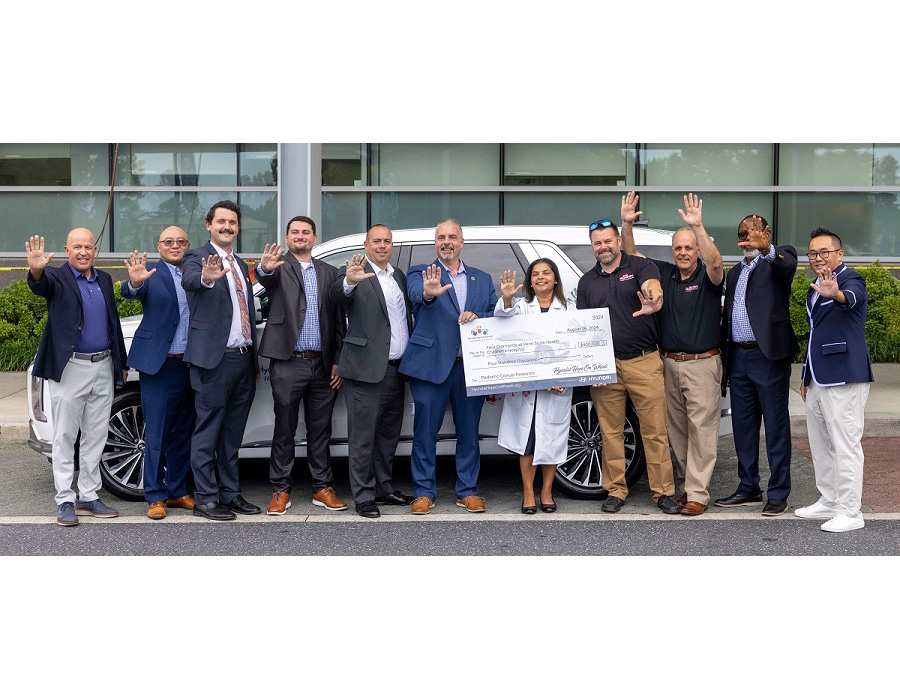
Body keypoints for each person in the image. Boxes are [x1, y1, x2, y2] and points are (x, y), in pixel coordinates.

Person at [620, 192, 724, 516]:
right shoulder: (663, 272)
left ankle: (697, 494)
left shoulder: (708, 278)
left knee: (702, 432)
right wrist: (626, 223)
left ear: (697, 251)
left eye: (688, 248)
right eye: (678, 248)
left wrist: (698, 226)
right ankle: (685, 487)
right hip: (668, 364)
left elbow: (717, 263)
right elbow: (630, 253)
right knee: (676, 433)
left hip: (702, 364)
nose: (682, 253)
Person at [575, 218, 680, 515]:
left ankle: (663, 493)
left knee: (655, 431)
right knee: (610, 432)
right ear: (592, 247)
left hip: (644, 362)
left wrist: (654, 298)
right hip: (606, 367)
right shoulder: (586, 282)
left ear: (618, 241)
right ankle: (616, 490)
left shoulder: (639, 267)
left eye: (608, 241)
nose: (603, 247)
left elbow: (653, 286)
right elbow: (584, 329)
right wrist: (592, 367)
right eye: (597, 243)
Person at [26, 229, 128, 527]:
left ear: (94, 250)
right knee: (66, 436)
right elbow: (39, 285)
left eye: (88, 247)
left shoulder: (105, 279)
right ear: (67, 250)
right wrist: (35, 268)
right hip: (71, 368)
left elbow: (113, 324)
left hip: (103, 366)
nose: (83, 252)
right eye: (77, 247)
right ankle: (64, 500)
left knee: (96, 435)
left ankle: (88, 495)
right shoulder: (57, 277)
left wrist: (119, 362)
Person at [399, 218, 498, 515]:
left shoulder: (482, 278)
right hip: (431, 366)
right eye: (441, 237)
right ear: (435, 243)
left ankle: (467, 491)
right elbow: (419, 296)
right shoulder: (421, 273)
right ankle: (424, 492)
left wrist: (477, 316)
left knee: (469, 432)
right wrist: (430, 293)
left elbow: (495, 314)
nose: (446, 241)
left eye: (452, 236)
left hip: (470, 368)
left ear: (461, 242)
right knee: (425, 432)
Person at [256, 216, 346, 515]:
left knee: (320, 430)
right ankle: (280, 489)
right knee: (285, 428)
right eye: (294, 232)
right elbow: (265, 279)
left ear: (314, 238)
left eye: (305, 232)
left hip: (322, 365)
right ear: (287, 236)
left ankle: (322, 487)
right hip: (288, 362)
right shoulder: (278, 267)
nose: (300, 236)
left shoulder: (330, 273)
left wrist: (337, 361)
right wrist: (264, 269)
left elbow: (337, 323)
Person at [182, 200, 261, 521]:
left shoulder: (241, 264)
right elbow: (190, 281)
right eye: (221, 222)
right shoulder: (196, 257)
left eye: (232, 223)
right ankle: (205, 498)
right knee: (207, 432)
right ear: (209, 225)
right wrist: (207, 277)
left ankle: (230, 493)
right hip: (213, 362)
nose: (227, 227)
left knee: (232, 434)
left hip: (242, 361)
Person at [329, 225, 414, 519]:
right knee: (362, 438)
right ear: (365, 244)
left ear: (392, 245)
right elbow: (337, 295)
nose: (382, 245)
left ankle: (383, 488)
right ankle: (364, 496)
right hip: (366, 369)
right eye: (376, 241)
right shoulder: (353, 271)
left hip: (396, 369)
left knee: (388, 436)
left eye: (387, 241)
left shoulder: (398, 276)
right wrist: (349, 283)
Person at [716, 215, 798, 516]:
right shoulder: (735, 271)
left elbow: (786, 265)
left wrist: (768, 250)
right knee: (743, 427)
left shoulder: (779, 258)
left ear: (766, 234)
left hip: (768, 357)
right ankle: (748, 487)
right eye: (742, 233)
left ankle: (778, 492)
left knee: (776, 426)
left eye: (754, 232)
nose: (747, 238)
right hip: (738, 358)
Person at [796, 227, 873, 532]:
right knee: (820, 442)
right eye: (813, 253)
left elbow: (852, 299)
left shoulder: (851, 278)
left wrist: (837, 294)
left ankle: (851, 511)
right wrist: (805, 375)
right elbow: (816, 334)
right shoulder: (814, 286)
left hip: (844, 375)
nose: (817, 257)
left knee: (845, 444)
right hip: (818, 377)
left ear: (839, 254)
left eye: (823, 252)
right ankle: (829, 499)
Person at [120, 227, 196, 520]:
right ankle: (154, 495)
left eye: (180, 242)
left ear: (187, 246)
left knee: (183, 431)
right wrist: (135, 283)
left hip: (191, 364)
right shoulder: (149, 271)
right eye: (168, 242)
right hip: (160, 364)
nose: (174, 246)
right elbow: (131, 290)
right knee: (157, 431)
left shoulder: (195, 272)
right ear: (159, 246)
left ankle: (177, 491)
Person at [494, 259, 574, 514]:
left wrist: (565, 378)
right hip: (526, 390)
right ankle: (528, 493)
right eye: (535, 274)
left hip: (556, 389)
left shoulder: (570, 309)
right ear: (529, 281)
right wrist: (506, 299)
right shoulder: (520, 307)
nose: (541, 278)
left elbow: (577, 350)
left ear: (555, 279)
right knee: (527, 442)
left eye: (546, 273)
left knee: (551, 441)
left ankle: (547, 491)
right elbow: (501, 318)